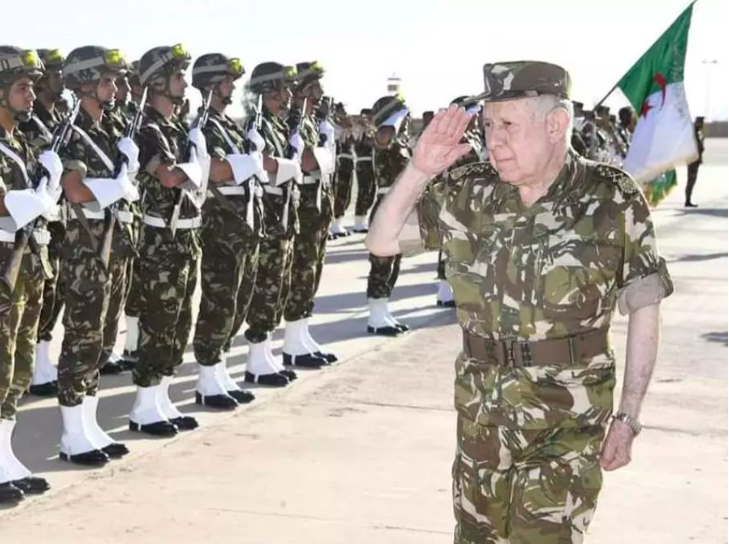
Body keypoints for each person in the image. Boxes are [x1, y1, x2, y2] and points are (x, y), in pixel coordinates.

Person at [366, 61, 674, 543]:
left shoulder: (612, 198)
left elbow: (645, 308)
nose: (494, 140)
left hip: (567, 418)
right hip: (482, 413)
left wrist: (629, 416)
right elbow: (382, 241)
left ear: (556, 125)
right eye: (488, 125)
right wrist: (420, 170)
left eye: (508, 125)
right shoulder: (471, 191)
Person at [57, 46, 139, 465]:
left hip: (116, 245)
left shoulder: (113, 129)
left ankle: (89, 424)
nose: (115, 87)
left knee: (105, 340)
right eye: (107, 81)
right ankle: (71, 434)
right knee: (83, 340)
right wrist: (115, 188)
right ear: (85, 83)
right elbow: (74, 190)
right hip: (86, 250)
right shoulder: (71, 131)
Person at [128, 44, 207, 437]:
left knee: (179, 323)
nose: (185, 83)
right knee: (158, 322)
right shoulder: (147, 130)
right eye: (178, 76)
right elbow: (169, 177)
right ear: (157, 83)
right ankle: (144, 405)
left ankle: (161, 398)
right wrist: (199, 166)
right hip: (160, 238)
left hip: (185, 237)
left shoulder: (177, 129)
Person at [190, 52, 264, 409]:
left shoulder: (229, 125)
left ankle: (219, 370)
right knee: (219, 303)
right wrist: (249, 162)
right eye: (227, 81)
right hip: (221, 229)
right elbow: (216, 171)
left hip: (243, 228)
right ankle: (206, 377)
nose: (232, 87)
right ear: (211, 84)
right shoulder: (203, 125)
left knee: (238, 300)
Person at [0, 45, 57, 504]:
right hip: (2, 268)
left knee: (17, 370)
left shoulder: (20, 143)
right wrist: (40, 196)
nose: (31, 95)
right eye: (22, 87)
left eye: (32, 87)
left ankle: (3, 456)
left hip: (27, 266)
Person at [236, 62, 303, 386]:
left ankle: (266, 355)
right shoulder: (257, 124)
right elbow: (260, 164)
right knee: (264, 290)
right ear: (268, 90)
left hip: (284, 218)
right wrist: (290, 165)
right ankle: (256, 359)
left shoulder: (278, 125)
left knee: (278, 288)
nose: (289, 95)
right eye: (283, 89)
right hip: (268, 219)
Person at [280, 60, 337, 368]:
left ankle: (301, 334)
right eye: (314, 86)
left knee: (312, 271)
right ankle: (292, 342)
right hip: (303, 207)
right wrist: (325, 152)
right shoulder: (294, 120)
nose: (320, 93)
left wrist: (325, 146)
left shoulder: (312, 122)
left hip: (318, 205)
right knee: (301, 272)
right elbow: (308, 162)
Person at [18, 48, 67, 396]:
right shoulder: (25, 128)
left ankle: (40, 360)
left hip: (48, 232)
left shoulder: (50, 122)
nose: (59, 80)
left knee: (50, 297)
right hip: (20, 236)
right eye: (55, 74)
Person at [365, 94, 412, 336]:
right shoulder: (385, 137)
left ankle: (383, 311)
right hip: (387, 206)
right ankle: (375, 317)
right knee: (381, 264)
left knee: (393, 264)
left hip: (400, 206)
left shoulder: (401, 142)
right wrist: (394, 117)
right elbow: (383, 137)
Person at [351, 108, 376, 233]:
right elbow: (358, 140)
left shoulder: (372, 130)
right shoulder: (359, 129)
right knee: (363, 191)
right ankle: (358, 221)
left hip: (371, 163)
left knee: (371, 192)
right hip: (363, 162)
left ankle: (363, 218)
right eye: (367, 117)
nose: (369, 120)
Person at [685, 116, 705, 208]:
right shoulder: (692, 133)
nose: (702, 124)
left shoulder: (699, 133)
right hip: (692, 160)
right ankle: (687, 200)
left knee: (692, 180)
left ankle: (688, 199)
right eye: (700, 122)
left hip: (696, 161)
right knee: (690, 180)